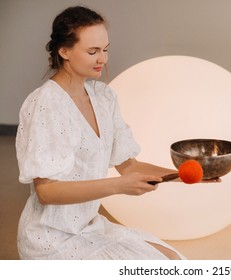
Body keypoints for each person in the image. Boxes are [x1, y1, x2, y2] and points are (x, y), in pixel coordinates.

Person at [15, 6, 186, 260]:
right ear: (64, 51)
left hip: (90, 227)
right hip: (51, 239)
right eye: (92, 51)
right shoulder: (46, 104)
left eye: (105, 50)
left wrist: (185, 175)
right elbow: (46, 192)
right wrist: (117, 186)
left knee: (173, 259)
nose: (102, 59)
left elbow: (129, 166)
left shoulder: (104, 97)